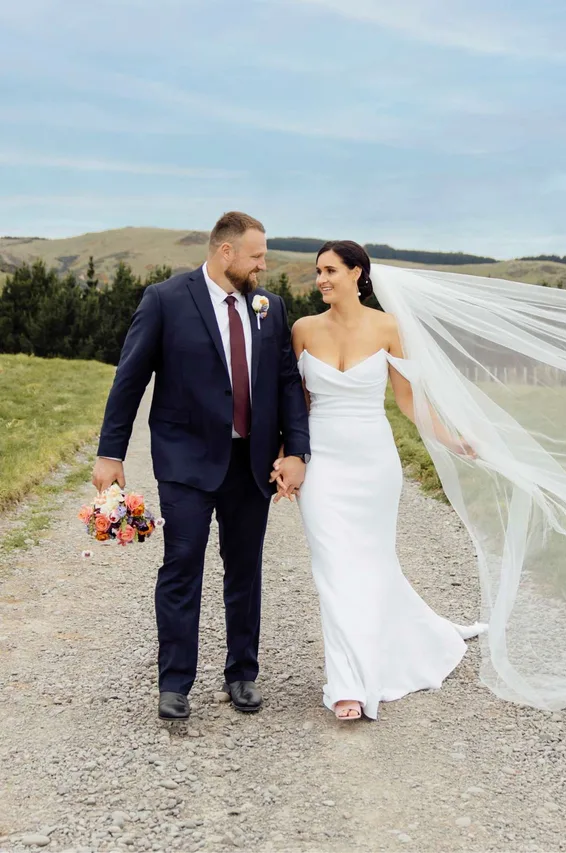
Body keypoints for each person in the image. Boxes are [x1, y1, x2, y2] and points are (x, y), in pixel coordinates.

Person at [92, 211, 310, 722]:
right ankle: (174, 684)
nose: (263, 265)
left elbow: (285, 383)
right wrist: (110, 452)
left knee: (245, 569)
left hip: (251, 461)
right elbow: (131, 378)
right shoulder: (165, 300)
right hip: (186, 459)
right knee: (182, 565)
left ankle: (242, 675)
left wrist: (296, 449)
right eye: (256, 256)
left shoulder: (269, 308)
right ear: (226, 253)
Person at [279, 240, 484, 721]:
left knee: (371, 566)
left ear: (357, 273)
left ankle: (414, 642)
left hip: (374, 462)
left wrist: (452, 440)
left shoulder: (389, 327)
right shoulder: (303, 330)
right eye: (318, 272)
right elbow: (296, 404)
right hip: (322, 462)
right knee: (332, 568)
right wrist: (287, 456)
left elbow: (409, 403)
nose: (322, 279)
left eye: (330, 270)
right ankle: (348, 684)